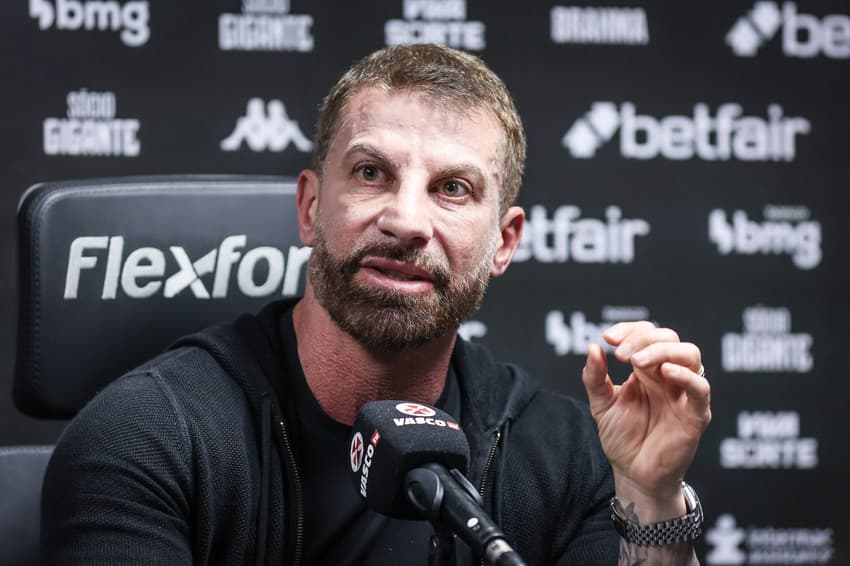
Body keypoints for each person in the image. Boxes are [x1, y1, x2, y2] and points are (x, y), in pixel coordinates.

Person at [41, 44, 711, 565]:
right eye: (371, 173)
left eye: (452, 188)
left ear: (503, 243)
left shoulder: (568, 453)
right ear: (310, 207)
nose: (406, 220)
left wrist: (650, 497)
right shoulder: (147, 435)